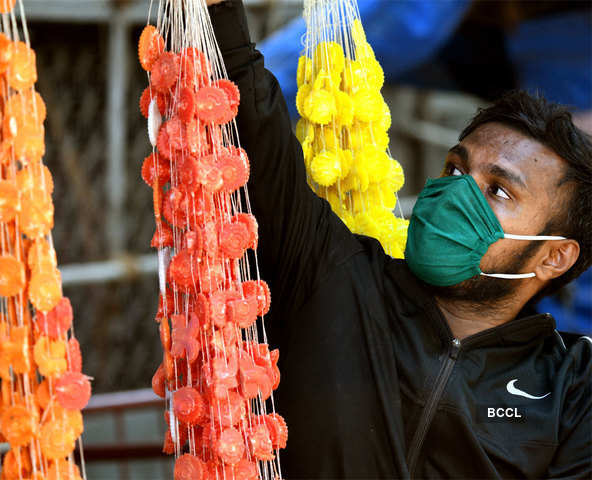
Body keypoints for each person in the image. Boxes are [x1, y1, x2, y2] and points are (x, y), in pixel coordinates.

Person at [206, 0, 592, 477]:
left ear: (555, 256)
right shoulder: (337, 275)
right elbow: (248, 114)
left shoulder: (573, 388)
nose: (455, 195)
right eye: (456, 168)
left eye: (497, 190)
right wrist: (217, 11)